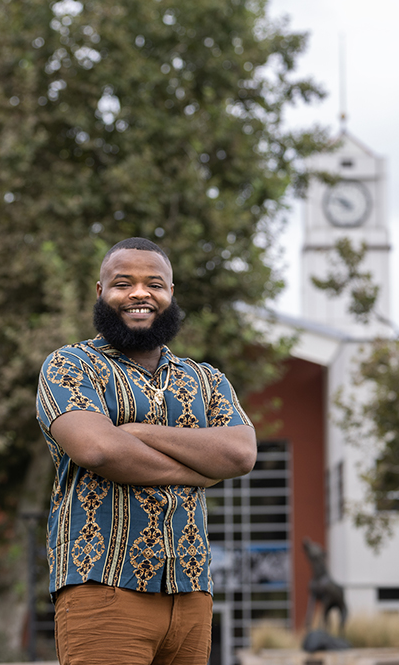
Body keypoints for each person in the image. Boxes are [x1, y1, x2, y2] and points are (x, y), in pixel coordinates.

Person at [36, 237, 258, 665]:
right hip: (103, 585)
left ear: (170, 294)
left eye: (154, 284)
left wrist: (137, 431)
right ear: (101, 293)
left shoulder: (206, 379)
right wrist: (199, 471)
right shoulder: (69, 366)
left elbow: (240, 454)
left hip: (191, 592)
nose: (140, 293)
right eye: (123, 283)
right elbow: (98, 449)